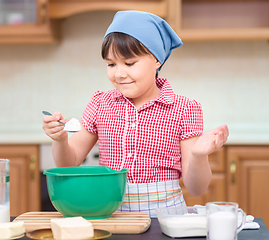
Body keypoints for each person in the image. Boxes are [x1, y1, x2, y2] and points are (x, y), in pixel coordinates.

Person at [43, 10, 229, 217]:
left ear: (157, 60)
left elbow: (197, 189)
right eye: (111, 64)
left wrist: (198, 155)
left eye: (130, 63)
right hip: (112, 216)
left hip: (165, 219)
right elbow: (69, 163)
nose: (119, 73)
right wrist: (60, 140)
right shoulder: (100, 103)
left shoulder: (184, 108)